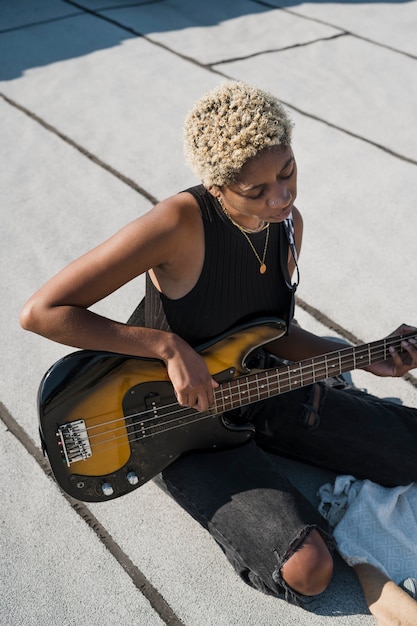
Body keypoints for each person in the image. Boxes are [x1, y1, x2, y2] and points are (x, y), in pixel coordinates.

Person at [20, 81, 417, 606]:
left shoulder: (288, 226)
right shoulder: (177, 223)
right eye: (255, 191)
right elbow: (42, 313)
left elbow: (276, 331)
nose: (279, 196)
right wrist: (166, 346)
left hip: (259, 386)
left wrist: (367, 359)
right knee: (309, 571)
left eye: (287, 171)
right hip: (170, 420)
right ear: (217, 186)